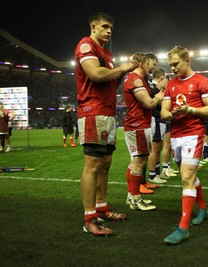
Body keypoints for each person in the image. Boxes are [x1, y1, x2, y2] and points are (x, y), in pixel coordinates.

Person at [74, 12, 137, 236]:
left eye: (111, 27)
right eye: (105, 26)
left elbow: (111, 81)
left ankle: (101, 209)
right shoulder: (86, 45)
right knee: (92, 165)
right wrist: (121, 68)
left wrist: (124, 70)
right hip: (93, 111)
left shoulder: (106, 52)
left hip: (107, 112)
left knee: (105, 164)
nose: (109, 31)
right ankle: (89, 218)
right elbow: (96, 74)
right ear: (93, 26)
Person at [160, 45, 208, 245]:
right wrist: (173, 114)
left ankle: (183, 228)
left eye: (175, 64)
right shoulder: (170, 85)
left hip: (193, 135)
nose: (173, 68)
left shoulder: (202, 82)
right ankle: (203, 208)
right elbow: (163, 113)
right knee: (189, 177)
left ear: (187, 60)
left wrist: (190, 110)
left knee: (186, 178)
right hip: (176, 135)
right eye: (170, 65)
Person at [123, 52, 165, 211]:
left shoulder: (138, 79)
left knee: (135, 161)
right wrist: (159, 97)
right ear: (143, 63)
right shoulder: (134, 79)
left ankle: (131, 196)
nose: (152, 68)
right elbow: (148, 103)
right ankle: (135, 198)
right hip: (137, 125)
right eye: (150, 64)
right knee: (139, 162)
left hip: (139, 124)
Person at [147, 67, 174, 185]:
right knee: (155, 148)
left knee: (158, 147)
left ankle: (157, 173)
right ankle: (152, 174)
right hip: (156, 119)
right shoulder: (154, 88)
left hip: (159, 120)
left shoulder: (154, 87)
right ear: (162, 78)